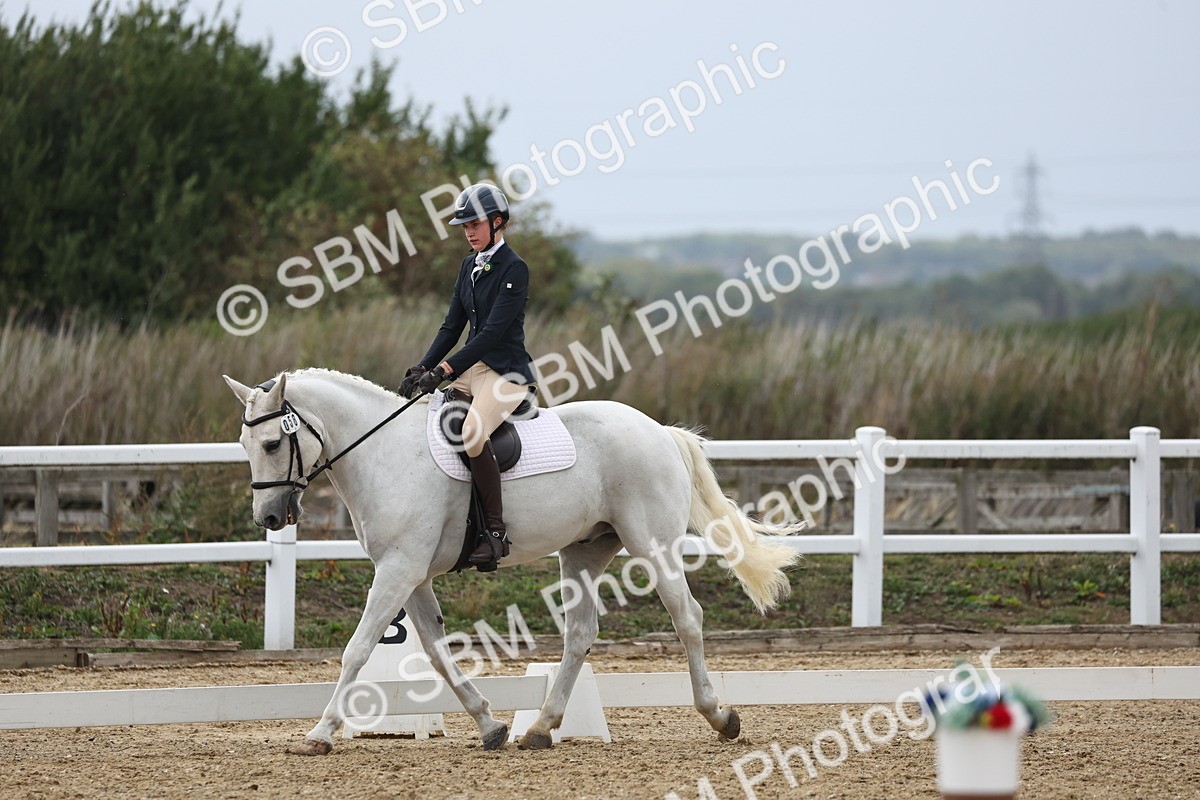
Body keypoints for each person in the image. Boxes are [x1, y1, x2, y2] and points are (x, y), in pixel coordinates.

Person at [398, 183, 535, 567]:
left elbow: (490, 333)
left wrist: (445, 369)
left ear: (498, 222)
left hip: (505, 373)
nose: (469, 232)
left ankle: (495, 533)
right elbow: (452, 326)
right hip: (472, 369)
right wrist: (423, 366)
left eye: (475, 225)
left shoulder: (515, 268)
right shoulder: (468, 265)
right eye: (465, 227)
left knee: (473, 432)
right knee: (423, 417)